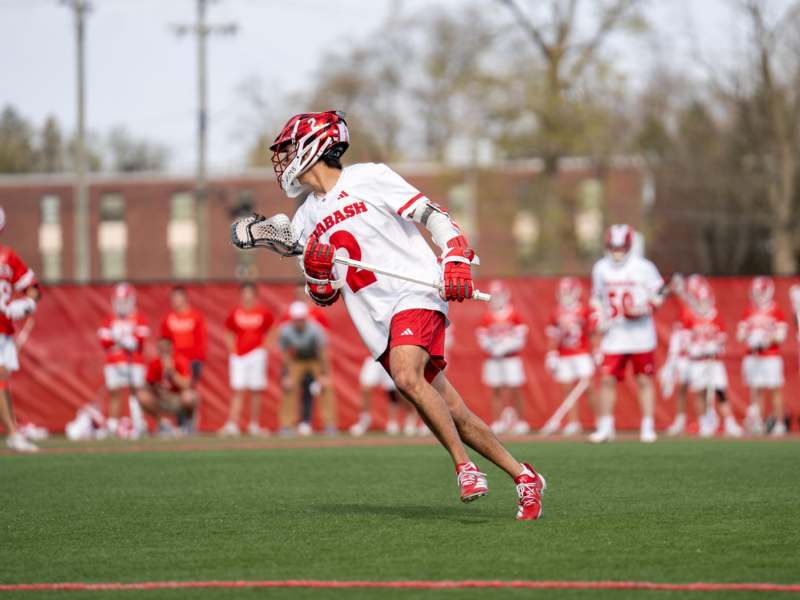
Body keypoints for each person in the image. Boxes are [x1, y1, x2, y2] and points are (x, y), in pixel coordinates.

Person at [268, 110, 544, 519]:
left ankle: (464, 468)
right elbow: (322, 295)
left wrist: (456, 257)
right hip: (375, 319)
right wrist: (320, 273)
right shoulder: (304, 218)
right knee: (452, 408)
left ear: (316, 145)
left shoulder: (370, 177)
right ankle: (524, 476)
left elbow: (432, 215)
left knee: (406, 376)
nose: (286, 156)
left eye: (290, 147)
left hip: (415, 291)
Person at [589, 224, 665, 444]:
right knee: (606, 379)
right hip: (614, 334)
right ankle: (605, 426)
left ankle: (648, 426)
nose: (617, 251)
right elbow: (596, 298)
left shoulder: (644, 267)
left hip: (640, 334)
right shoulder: (601, 268)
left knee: (644, 379)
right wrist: (597, 316)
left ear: (630, 246)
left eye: (621, 247)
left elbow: (659, 293)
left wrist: (645, 308)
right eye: (613, 246)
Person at [0, 208, 42, 452]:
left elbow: (33, 288)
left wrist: (25, 304)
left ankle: (13, 431)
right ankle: (14, 433)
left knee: (3, 378)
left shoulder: (8, 256)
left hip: (3, 327)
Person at [681, 276, 742, 437]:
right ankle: (703, 423)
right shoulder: (689, 316)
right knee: (699, 392)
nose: (703, 303)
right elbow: (686, 340)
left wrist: (715, 346)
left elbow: (722, 337)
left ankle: (730, 422)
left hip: (713, 361)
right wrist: (696, 348)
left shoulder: (715, 315)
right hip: (698, 362)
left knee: (720, 391)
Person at [218, 282, 275, 437]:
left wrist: (264, 346)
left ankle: (254, 425)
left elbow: (272, 329)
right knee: (238, 389)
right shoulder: (236, 313)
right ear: (241, 295)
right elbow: (228, 331)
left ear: (255, 295)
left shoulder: (262, 312)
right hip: (239, 356)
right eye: (245, 293)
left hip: (256, 354)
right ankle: (232, 424)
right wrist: (232, 349)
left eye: (250, 293)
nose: (247, 296)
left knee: (256, 389)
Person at [475, 280, 530, 435]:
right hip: (493, 359)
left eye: (499, 295)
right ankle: (498, 421)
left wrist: (506, 347)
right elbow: (482, 337)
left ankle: (520, 421)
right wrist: (493, 348)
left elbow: (520, 337)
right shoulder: (487, 316)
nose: (497, 298)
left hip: (511, 357)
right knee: (495, 389)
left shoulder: (514, 314)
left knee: (515, 388)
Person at [544, 277, 596, 436]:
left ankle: (600, 420)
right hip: (564, 354)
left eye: (569, 291)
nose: (566, 294)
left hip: (582, 352)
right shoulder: (556, 312)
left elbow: (592, 332)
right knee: (567, 389)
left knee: (589, 388)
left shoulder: (584, 310)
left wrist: (596, 351)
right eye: (563, 291)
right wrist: (551, 354)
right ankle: (574, 422)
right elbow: (552, 336)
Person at [97, 283, 150, 436]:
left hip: (134, 362)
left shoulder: (138, 317)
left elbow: (139, 340)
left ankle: (139, 422)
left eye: (124, 301)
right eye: (119, 301)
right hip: (114, 362)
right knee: (114, 392)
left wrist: (125, 340)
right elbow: (105, 342)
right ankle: (113, 425)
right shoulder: (110, 319)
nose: (122, 305)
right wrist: (121, 339)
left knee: (136, 392)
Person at [737, 277, 788, 436]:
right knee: (756, 390)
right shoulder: (749, 310)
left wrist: (766, 339)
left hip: (771, 355)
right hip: (753, 356)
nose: (759, 295)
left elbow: (781, 335)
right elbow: (740, 333)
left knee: (775, 389)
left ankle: (779, 423)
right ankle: (758, 422)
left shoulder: (776, 309)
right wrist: (750, 337)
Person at [278, 301, 337, 436]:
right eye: (296, 320)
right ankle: (286, 425)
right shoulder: (285, 331)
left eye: (301, 320)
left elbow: (322, 353)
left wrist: (323, 374)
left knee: (326, 387)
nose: (299, 323)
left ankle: (329, 424)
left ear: (306, 318)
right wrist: (285, 375)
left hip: (314, 359)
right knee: (289, 387)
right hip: (297, 359)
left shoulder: (316, 329)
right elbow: (285, 356)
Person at [160, 286, 207, 432]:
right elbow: (164, 342)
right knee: (177, 393)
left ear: (185, 298)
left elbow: (201, 340)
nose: (175, 301)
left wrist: (198, 362)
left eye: (178, 297)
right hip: (175, 363)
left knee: (188, 392)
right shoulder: (169, 318)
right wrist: (166, 360)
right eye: (173, 297)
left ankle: (191, 423)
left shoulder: (195, 316)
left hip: (192, 362)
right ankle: (181, 425)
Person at [137, 337, 196, 435]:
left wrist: (171, 373)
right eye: (160, 347)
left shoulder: (180, 361)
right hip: (161, 398)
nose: (163, 350)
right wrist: (155, 387)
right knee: (142, 396)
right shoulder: (154, 363)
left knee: (189, 396)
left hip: (177, 398)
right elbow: (148, 384)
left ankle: (187, 424)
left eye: (165, 347)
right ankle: (163, 423)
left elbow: (186, 385)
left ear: (171, 348)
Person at [350, 356, 409, 436]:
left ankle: (394, 422)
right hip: (374, 356)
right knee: (365, 388)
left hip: (390, 357)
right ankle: (364, 420)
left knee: (394, 391)